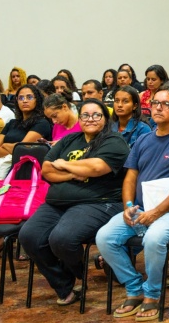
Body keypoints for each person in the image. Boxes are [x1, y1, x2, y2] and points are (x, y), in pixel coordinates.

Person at [96, 85, 169, 320]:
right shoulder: (144, 140)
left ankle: (152, 294)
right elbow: (130, 177)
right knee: (104, 237)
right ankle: (134, 288)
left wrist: (156, 213)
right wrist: (127, 206)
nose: (158, 108)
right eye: (155, 103)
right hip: (142, 209)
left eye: (166, 104)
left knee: (154, 238)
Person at [19, 99, 130, 305]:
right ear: (79, 118)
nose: (91, 119)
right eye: (85, 115)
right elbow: (47, 171)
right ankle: (65, 285)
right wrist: (74, 173)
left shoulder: (114, 141)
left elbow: (96, 167)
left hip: (98, 202)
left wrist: (65, 164)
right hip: (57, 203)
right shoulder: (68, 140)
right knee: (29, 236)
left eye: (97, 115)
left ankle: (80, 273)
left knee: (62, 238)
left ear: (105, 119)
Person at [0, 85, 52, 158]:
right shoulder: (12, 123)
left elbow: (22, 149)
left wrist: (5, 145)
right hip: (4, 164)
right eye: (21, 98)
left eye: (29, 97)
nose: (25, 101)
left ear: (37, 100)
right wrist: (13, 151)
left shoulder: (42, 123)